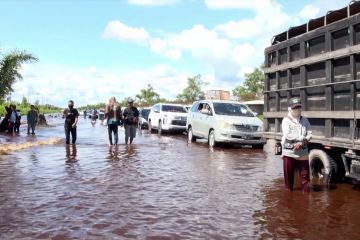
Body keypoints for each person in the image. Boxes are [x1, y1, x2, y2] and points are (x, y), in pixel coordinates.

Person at [281, 98, 312, 192]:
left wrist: (305, 140)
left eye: (299, 108)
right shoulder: (286, 120)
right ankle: (289, 195)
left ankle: (306, 196)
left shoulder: (305, 120)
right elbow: (287, 134)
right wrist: (301, 138)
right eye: (295, 108)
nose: (297, 110)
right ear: (289, 109)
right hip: (289, 152)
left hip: (303, 153)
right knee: (288, 178)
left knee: (305, 177)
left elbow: (310, 133)